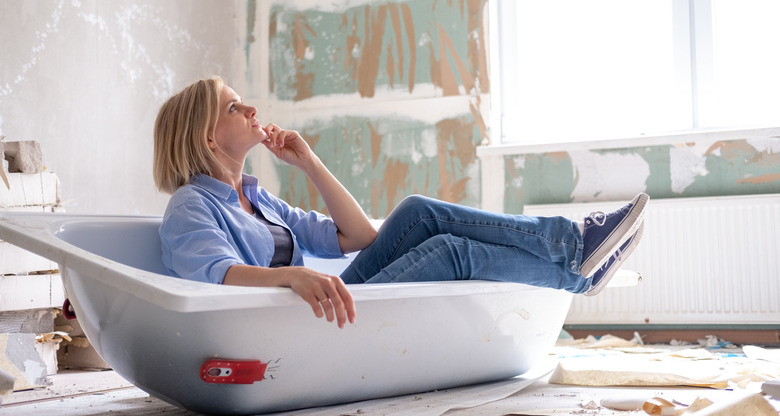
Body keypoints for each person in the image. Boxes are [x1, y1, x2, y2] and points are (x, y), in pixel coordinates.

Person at [153, 77, 648, 329]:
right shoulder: (191, 206)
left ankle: (574, 246)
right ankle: (576, 267)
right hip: (294, 322)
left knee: (415, 212)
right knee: (452, 252)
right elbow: (214, 274)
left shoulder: (260, 200)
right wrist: (291, 275)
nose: (251, 108)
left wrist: (309, 164)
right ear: (207, 138)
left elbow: (360, 237)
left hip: (327, 301)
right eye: (234, 107)